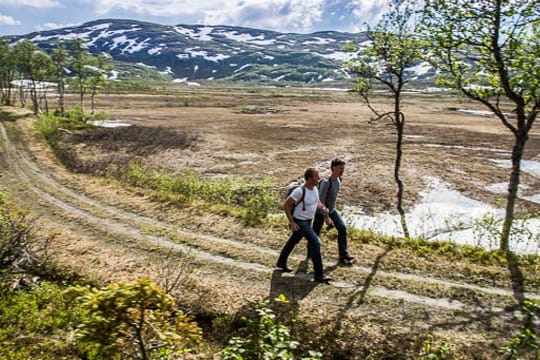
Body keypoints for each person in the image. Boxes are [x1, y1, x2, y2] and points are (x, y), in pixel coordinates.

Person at [276, 167, 332, 283]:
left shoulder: (314, 189)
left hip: (308, 221)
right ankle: (319, 275)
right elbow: (286, 205)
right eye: (317, 177)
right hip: (300, 221)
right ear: (310, 179)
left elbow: (317, 202)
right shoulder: (300, 191)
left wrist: (323, 210)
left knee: (293, 241)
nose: (319, 178)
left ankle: (281, 262)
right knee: (315, 242)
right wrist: (292, 222)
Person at [313, 158, 354, 265]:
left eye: (343, 168)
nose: (342, 170)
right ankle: (311, 254)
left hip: (332, 210)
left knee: (342, 229)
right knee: (315, 234)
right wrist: (326, 216)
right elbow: (320, 200)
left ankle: (343, 254)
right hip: (320, 212)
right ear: (334, 168)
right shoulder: (327, 182)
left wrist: (330, 212)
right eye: (340, 168)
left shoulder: (339, 180)